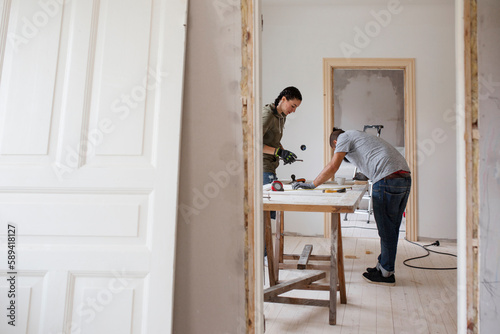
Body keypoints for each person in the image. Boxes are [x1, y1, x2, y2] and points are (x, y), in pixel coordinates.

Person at [293, 128, 411, 286]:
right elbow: (372, 158)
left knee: (386, 229)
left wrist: (312, 184)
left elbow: (334, 166)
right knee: (392, 227)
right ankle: (382, 266)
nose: (339, 152)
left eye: (336, 150)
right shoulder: (359, 136)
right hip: (403, 178)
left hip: (386, 179)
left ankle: (387, 274)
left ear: (335, 143)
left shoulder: (343, 138)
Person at [262, 86, 302, 190]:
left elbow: (273, 140)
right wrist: (279, 152)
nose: (293, 111)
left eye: (296, 107)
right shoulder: (268, 115)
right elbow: (252, 143)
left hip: (271, 166)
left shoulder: (281, 117)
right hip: (261, 167)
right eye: (293, 106)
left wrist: (284, 152)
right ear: (283, 99)